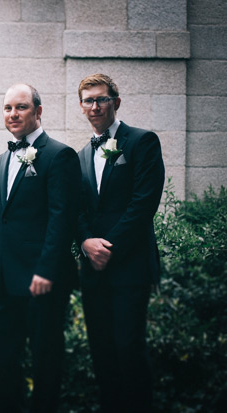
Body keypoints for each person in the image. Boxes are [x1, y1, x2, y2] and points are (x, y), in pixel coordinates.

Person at [0, 84, 81, 412]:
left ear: (38, 112)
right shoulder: (0, 160)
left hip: (43, 280)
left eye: (21, 107)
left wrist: (46, 269)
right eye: (8, 108)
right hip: (6, 280)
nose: (13, 114)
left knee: (45, 360)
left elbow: (61, 219)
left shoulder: (59, 155)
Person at [76, 73, 165, 412]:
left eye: (101, 99)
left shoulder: (142, 142)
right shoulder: (82, 155)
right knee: (101, 349)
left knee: (129, 347)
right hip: (93, 272)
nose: (95, 106)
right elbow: (77, 209)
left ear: (116, 102)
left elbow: (143, 204)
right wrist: (85, 241)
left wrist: (106, 247)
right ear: (82, 106)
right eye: (88, 100)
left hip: (130, 265)